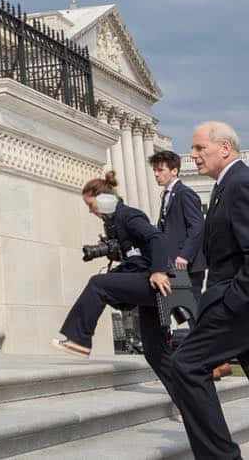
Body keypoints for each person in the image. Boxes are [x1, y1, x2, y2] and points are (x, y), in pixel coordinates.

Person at [52, 172, 176, 394]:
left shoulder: (127, 215)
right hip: (147, 284)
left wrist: (158, 271)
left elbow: (157, 238)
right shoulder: (114, 222)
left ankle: (79, 340)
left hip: (157, 282)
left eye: (90, 205)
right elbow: (137, 254)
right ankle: (186, 400)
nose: (90, 211)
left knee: (97, 284)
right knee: (154, 352)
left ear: (102, 198)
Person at [169, 122, 249, 460]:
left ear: (225, 148)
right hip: (232, 301)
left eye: (200, 148)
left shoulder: (240, 183)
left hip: (236, 304)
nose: (193, 154)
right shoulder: (224, 185)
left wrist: (230, 303)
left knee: (186, 365)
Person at [149, 149, 206, 297]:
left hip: (188, 265)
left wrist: (185, 255)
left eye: (160, 170)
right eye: (154, 170)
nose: (156, 174)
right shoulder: (167, 194)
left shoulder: (185, 193)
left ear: (174, 171)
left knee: (194, 311)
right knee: (183, 311)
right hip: (173, 265)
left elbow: (197, 226)